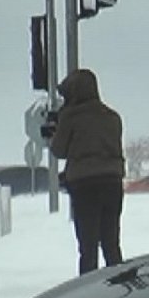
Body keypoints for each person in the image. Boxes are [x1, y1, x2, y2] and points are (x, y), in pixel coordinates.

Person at [42, 69, 127, 275]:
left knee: (88, 248)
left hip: (85, 185)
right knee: (111, 243)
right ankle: (119, 286)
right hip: (112, 183)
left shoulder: (71, 117)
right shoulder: (112, 116)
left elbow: (59, 150)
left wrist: (54, 130)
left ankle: (88, 293)